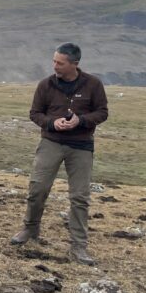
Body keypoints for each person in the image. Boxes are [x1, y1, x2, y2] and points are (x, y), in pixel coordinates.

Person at [10, 43, 108, 265]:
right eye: (54, 61)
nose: (55, 66)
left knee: (80, 197)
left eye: (60, 63)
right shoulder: (45, 85)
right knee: (38, 188)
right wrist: (52, 123)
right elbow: (35, 113)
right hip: (51, 142)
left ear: (74, 64)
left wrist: (81, 121)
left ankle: (79, 247)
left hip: (81, 146)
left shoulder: (93, 84)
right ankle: (30, 229)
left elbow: (102, 112)